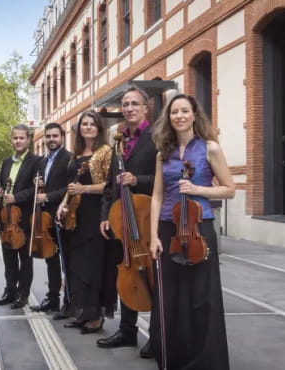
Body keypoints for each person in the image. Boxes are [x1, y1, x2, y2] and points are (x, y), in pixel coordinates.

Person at [149, 94, 233, 369]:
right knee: (171, 297)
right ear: (169, 118)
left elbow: (229, 189)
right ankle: (175, 359)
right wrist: (153, 236)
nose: (180, 116)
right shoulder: (163, 152)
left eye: (185, 111)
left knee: (202, 297)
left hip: (199, 227)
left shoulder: (210, 148)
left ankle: (206, 361)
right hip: (167, 227)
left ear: (195, 115)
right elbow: (157, 196)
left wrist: (198, 190)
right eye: (174, 112)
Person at [98, 85, 157, 358]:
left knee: (153, 277)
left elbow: (166, 178)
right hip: (123, 219)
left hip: (148, 219)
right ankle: (127, 330)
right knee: (127, 268)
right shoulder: (119, 141)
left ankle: (157, 337)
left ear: (146, 107)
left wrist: (138, 180)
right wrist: (105, 216)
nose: (129, 108)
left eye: (134, 103)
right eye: (125, 104)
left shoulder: (157, 137)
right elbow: (110, 184)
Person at [56, 110, 114, 334]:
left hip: (94, 214)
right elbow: (71, 185)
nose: (88, 127)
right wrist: (62, 204)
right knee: (77, 265)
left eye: (92, 124)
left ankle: (96, 316)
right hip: (75, 215)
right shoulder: (76, 154)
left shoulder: (105, 152)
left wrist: (85, 189)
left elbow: (109, 186)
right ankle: (82, 312)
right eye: (84, 124)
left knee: (93, 266)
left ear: (99, 127)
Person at [0, 124, 41, 309]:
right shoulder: (6, 162)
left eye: (21, 138)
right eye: (15, 138)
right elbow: (1, 185)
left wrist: (17, 197)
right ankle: (10, 290)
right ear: (11, 140)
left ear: (28, 140)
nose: (18, 141)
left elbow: (35, 189)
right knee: (9, 258)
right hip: (6, 217)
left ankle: (23, 294)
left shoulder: (36, 161)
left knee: (24, 259)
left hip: (24, 218)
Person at [29, 122, 71, 317]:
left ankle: (69, 303)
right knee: (51, 260)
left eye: (55, 136)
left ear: (61, 137)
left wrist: (48, 196)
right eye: (48, 136)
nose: (51, 139)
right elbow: (47, 185)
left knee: (67, 262)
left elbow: (70, 187)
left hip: (63, 215)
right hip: (46, 217)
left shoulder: (69, 158)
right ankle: (53, 298)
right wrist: (39, 185)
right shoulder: (43, 161)